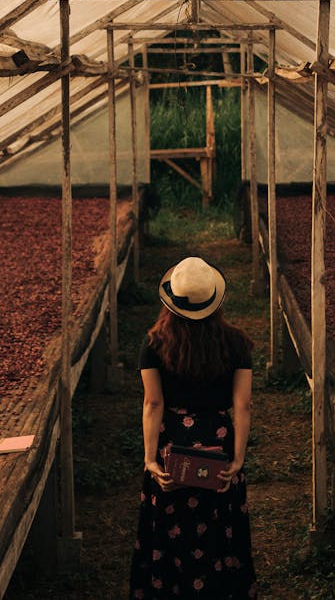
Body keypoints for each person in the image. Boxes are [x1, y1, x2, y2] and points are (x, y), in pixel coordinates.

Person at [129, 256, 258, 599]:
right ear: (215, 302)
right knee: (219, 527)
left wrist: (150, 459)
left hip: (172, 442)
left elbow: (153, 404)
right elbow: (243, 405)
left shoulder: (154, 345)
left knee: (171, 528)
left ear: (170, 302)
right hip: (218, 439)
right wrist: (238, 460)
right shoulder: (238, 344)